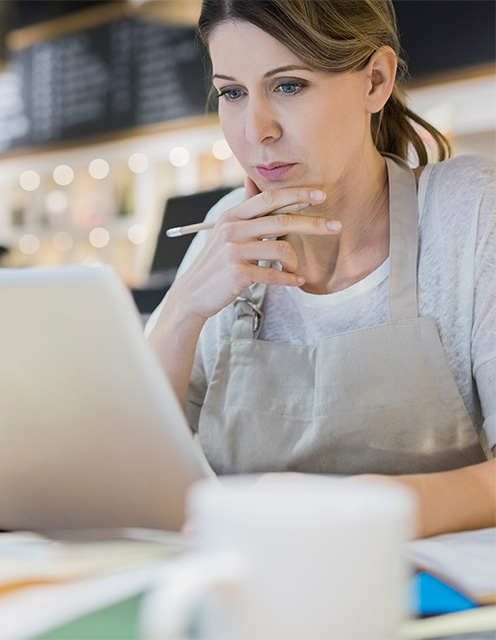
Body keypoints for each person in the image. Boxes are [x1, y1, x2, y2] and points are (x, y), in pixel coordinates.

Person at [147, 0, 495, 538]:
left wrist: (348, 512)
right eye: (232, 93)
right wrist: (181, 313)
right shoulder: (226, 231)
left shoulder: (470, 213)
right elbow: (130, 471)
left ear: (374, 82)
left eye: (288, 86)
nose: (256, 130)